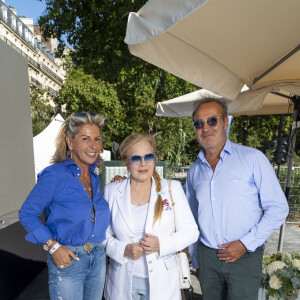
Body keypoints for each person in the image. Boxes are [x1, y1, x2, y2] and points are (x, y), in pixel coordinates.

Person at [186, 98, 289, 300]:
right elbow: (191, 217)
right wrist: (197, 260)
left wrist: (245, 243)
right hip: (208, 259)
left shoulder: (252, 158)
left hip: (245, 256)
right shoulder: (194, 171)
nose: (205, 128)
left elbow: (279, 208)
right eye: (199, 123)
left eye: (212, 121)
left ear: (225, 122)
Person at [19, 112, 110, 300]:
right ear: (70, 142)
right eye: (85, 139)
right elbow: (27, 213)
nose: (93, 145)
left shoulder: (94, 178)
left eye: (97, 139)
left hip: (99, 258)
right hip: (69, 261)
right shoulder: (54, 175)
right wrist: (53, 246)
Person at [104, 132, 199, 300]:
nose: (143, 164)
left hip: (163, 283)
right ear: (126, 161)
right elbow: (102, 236)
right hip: (122, 282)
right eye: (135, 158)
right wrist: (123, 249)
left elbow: (191, 231)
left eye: (148, 156)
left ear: (155, 158)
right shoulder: (112, 191)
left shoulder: (172, 188)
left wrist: (161, 244)